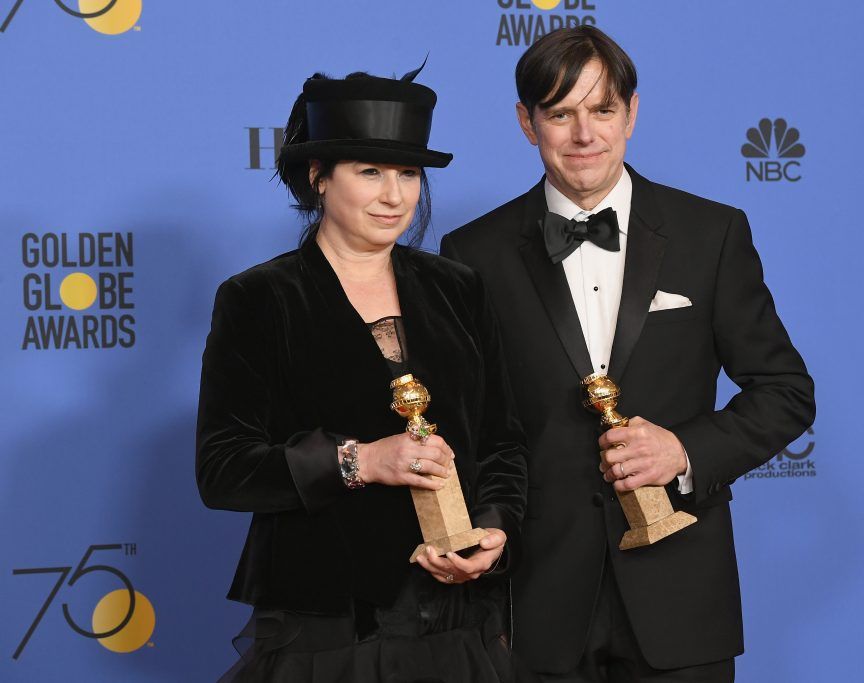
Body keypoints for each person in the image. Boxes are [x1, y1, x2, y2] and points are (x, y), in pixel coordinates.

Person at [440, 26, 815, 682]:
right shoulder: (473, 254)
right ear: (527, 123)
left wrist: (686, 451)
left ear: (632, 113)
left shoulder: (711, 233)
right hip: (535, 601)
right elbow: (468, 429)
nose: (585, 134)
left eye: (603, 109)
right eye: (560, 113)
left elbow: (785, 389)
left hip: (681, 595)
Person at [196, 68, 527, 682]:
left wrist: (493, 530)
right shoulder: (259, 298)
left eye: (407, 173)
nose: (394, 196)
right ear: (318, 177)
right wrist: (362, 461)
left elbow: (500, 444)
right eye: (369, 171)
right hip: (329, 627)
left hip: (456, 626)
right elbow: (223, 470)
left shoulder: (458, 288)